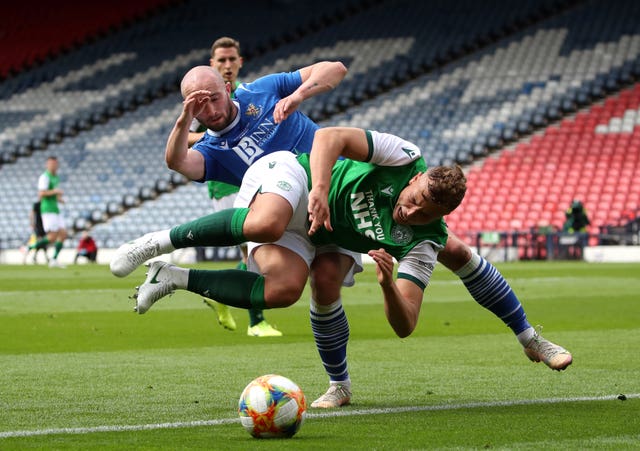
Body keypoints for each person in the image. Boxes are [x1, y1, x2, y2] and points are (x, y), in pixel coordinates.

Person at [112, 127, 573, 406]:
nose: (409, 214)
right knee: (269, 222)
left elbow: (405, 323)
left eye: (424, 214)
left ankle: (174, 277)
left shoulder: (422, 239)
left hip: (324, 234)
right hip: (296, 177)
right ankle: (156, 243)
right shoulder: (404, 156)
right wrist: (319, 189)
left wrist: (388, 284)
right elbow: (328, 138)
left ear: (440, 216)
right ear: (414, 180)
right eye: (412, 201)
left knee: (293, 289)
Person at [187, 37, 281, 337]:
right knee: (254, 249)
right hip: (226, 182)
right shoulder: (205, 98)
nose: (227, 65)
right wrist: (215, 140)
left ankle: (219, 293)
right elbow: (183, 142)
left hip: (255, 178)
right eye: (221, 61)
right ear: (212, 64)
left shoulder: (248, 93)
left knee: (258, 249)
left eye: (232, 60)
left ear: (240, 62)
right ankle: (256, 322)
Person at [29, 156, 67, 268]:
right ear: (47, 165)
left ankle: (54, 260)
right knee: (52, 237)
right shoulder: (44, 177)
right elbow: (41, 193)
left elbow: (53, 194)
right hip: (48, 209)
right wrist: (55, 191)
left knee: (63, 234)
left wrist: (59, 199)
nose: (53, 166)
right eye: (51, 164)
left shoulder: (56, 177)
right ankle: (29, 248)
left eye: (55, 164)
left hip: (55, 208)